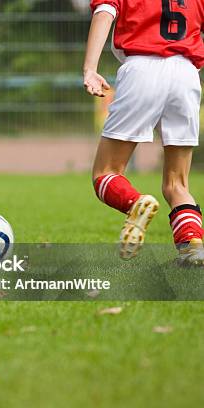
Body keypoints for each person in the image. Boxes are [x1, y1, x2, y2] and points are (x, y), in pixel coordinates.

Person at [84, 0, 204, 264]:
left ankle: (135, 203)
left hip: (141, 68)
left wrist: (90, 69)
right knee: (177, 184)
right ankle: (192, 246)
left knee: (106, 172)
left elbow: (104, 13)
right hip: (186, 74)